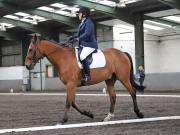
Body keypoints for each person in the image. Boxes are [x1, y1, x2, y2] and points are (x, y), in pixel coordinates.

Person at [68, 7, 98, 82]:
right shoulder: (82, 23)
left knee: (82, 56)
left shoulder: (89, 22)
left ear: (84, 14)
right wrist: (72, 37)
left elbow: (87, 34)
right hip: (83, 45)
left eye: (79, 13)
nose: (78, 15)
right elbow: (78, 34)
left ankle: (87, 75)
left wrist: (78, 39)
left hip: (90, 45)